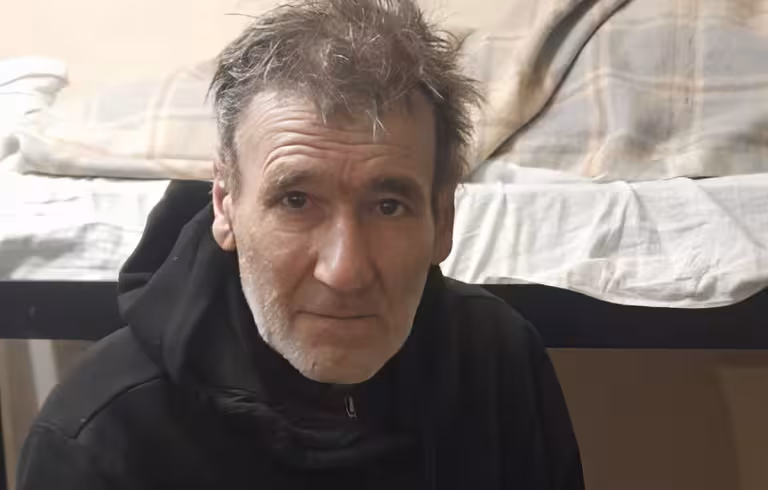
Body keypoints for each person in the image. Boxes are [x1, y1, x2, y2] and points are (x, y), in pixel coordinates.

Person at [16, 0, 583, 488]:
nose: (344, 270)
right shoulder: (98, 437)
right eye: (296, 200)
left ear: (442, 221)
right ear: (225, 206)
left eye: (388, 206)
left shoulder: (499, 361)